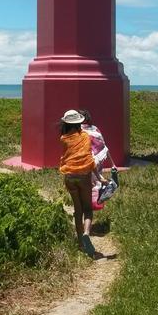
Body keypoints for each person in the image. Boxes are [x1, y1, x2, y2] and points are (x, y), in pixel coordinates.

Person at [59, 109, 106, 258]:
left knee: (77, 210)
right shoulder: (85, 137)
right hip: (84, 176)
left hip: (69, 177)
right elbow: (89, 159)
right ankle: (86, 233)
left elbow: (69, 155)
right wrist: (99, 177)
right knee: (88, 209)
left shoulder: (63, 138)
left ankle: (80, 242)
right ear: (80, 122)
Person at [79, 109, 117, 208]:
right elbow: (104, 147)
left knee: (85, 185)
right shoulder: (95, 129)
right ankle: (95, 203)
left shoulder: (77, 131)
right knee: (96, 182)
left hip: (83, 162)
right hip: (98, 161)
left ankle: (86, 207)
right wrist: (112, 164)